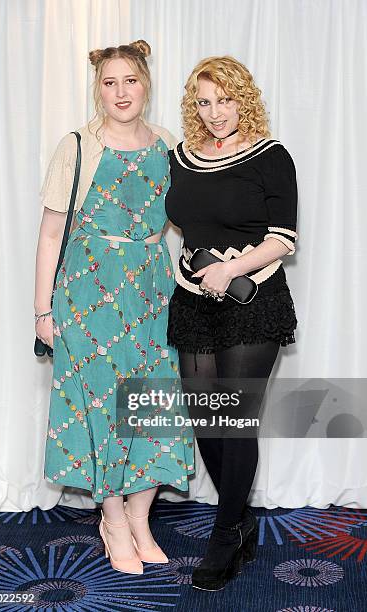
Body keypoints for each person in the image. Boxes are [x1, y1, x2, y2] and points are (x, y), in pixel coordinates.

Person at [34, 40, 194, 575]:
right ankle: (114, 520)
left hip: (150, 293)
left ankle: (141, 517)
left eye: (130, 81)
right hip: (86, 296)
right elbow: (52, 230)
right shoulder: (78, 145)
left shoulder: (167, 143)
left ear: (146, 83)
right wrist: (42, 312)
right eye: (109, 82)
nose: (120, 92)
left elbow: (185, 219)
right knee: (102, 406)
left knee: (152, 406)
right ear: (97, 88)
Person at [165, 55, 298, 590]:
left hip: (253, 297)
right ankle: (239, 518)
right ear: (192, 106)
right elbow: (168, 219)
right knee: (206, 418)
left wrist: (231, 268)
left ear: (243, 99)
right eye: (204, 101)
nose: (215, 112)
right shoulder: (179, 157)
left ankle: (225, 532)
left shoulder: (272, 156)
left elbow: (283, 237)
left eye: (224, 99)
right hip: (193, 298)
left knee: (235, 419)